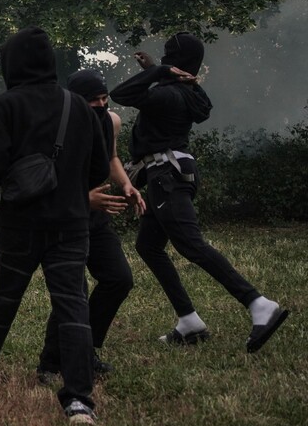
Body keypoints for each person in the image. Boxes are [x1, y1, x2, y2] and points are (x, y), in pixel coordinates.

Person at [0, 27, 109, 425]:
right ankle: (78, 400)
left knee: (3, 298)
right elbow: (100, 169)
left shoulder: (7, 106)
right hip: (72, 224)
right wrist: (68, 191)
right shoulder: (80, 107)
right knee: (72, 305)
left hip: (20, 223)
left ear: (13, 64)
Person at [109, 32, 290, 352]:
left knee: (191, 244)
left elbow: (120, 94)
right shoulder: (189, 93)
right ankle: (189, 321)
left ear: (173, 64)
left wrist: (156, 72)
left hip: (167, 176)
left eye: (166, 59)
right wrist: (164, 72)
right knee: (148, 246)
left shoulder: (168, 94)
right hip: (172, 174)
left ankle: (259, 304)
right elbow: (204, 106)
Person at [36, 69, 142, 385]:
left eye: (103, 97)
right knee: (74, 290)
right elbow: (43, 177)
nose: (99, 104)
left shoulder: (111, 121)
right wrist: (84, 198)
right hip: (63, 216)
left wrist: (126, 185)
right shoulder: (58, 125)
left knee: (118, 279)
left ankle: (86, 351)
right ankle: (50, 364)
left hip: (95, 218)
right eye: (92, 99)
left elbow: (110, 158)